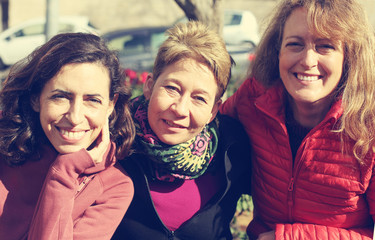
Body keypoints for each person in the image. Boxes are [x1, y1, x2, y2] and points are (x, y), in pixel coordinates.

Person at [220, 0, 375, 239]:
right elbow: (204, 131)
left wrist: (288, 237)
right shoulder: (254, 98)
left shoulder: (369, 129)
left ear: (349, 58)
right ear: (277, 51)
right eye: (295, 44)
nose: (308, 60)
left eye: (325, 46)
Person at [112, 21, 251, 240]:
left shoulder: (232, 148)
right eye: (172, 88)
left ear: (214, 110)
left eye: (199, 98)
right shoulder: (113, 141)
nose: (180, 109)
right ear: (149, 86)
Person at [0, 32, 135, 240]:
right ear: (37, 98)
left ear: (110, 105)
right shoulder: (5, 148)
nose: (74, 117)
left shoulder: (114, 187)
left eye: (92, 100)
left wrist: (65, 170)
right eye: (60, 97)